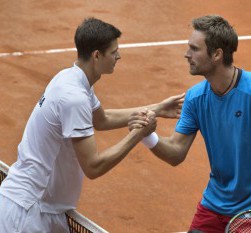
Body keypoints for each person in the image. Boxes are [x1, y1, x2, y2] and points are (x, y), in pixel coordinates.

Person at [129, 15, 251, 233]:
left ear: (217, 54)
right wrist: (147, 135)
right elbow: (176, 152)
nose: (187, 54)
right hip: (214, 205)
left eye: (194, 49)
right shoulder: (195, 98)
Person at [0, 17, 184, 232]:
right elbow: (93, 166)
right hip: (28, 212)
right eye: (114, 51)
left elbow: (102, 120)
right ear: (97, 55)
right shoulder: (74, 97)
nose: (119, 56)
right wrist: (137, 134)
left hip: (43, 207)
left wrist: (158, 109)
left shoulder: (71, 79)